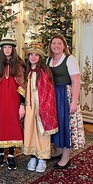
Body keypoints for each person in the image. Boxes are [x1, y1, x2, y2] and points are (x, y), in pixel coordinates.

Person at [47, 33, 85, 169]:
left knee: (65, 125)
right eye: (54, 43)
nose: (56, 46)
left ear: (64, 46)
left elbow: (76, 81)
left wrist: (74, 102)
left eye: (59, 43)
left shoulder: (70, 59)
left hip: (65, 95)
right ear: (50, 46)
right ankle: (58, 150)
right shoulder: (48, 60)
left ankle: (66, 157)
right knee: (55, 123)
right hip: (52, 96)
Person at [0, 32, 26, 170]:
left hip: (14, 102)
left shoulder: (20, 66)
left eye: (9, 47)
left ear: (13, 49)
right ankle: (0, 154)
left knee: (13, 126)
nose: (7, 49)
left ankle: (11, 155)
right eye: (4, 47)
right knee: (0, 125)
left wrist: (22, 105)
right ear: (2, 49)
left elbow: (23, 87)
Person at [23, 43, 58, 173]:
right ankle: (33, 156)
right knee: (30, 129)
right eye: (31, 54)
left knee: (41, 131)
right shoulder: (25, 70)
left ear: (40, 56)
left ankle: (42, 158)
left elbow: (49, 91)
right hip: (28, 106)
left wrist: (43, 106)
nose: (33, 57)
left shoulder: (45, 71)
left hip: (41, 106)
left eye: (36, 55)